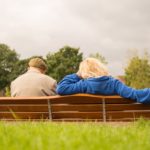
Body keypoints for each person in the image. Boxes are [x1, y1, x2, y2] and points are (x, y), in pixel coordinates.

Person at [56, 57, 150, 103]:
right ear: (101, 68)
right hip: (114, 119)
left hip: (89, 120)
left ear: (83, 71)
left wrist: (77, 75)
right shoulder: (114, 83)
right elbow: (134, 94)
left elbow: (61, 88)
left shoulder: (83, 85)